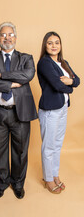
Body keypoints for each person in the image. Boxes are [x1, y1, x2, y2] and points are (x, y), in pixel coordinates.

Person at [0, 22, 38, 199]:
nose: (7, 38)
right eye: (3, 35)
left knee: (20, 150)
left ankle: (18, 183)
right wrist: (11, 83)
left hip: (19, 111)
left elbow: (28, 75)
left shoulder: (26, 58)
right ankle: (3, 181)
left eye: (10, 34)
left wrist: (2, 76)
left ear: (16, 37)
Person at [37, 31, 80, 194]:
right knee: (48, 146)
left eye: (57, 42)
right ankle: (48, 178)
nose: (54, 46)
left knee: (57, 145)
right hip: (49, 110)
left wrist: (71, 81)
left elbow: (78, 80)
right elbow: (57, 85)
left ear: (60, 45)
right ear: (45, 45)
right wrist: (70, 85)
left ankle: (54, 174)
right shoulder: (44, 63)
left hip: (62, 108)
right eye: (50, 43)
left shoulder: (64, 62)